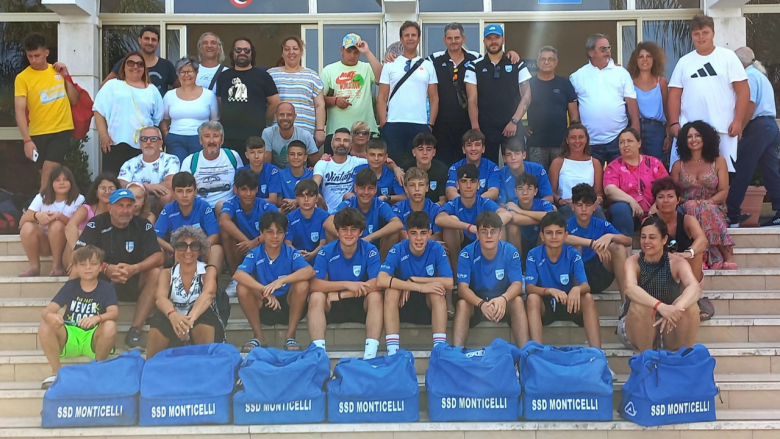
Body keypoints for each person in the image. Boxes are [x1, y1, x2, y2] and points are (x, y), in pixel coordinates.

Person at [74, 188, 163, 351]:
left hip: (134, 278)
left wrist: (135, 268)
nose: (125, 210)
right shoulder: (96, 223)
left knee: (156, 273)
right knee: (77, 270)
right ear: (110, 208)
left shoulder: (143, 224)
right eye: (120, 205)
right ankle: (83, 324)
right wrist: (105, 268)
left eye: (129, 206)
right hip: (103, 280)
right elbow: (78, 254)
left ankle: (135, 331)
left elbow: (158, 256)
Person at [668, 14, 749, 173]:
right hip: (690, 131)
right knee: (685, 175)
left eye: (705, 32)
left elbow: (743, 91)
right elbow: (674, 95)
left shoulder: (728, 57)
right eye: (696, 34)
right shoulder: (684, 62)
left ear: (713, 33)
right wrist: (674, 123)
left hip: (723, 129)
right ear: (692, 36)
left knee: (724, 174)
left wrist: (738, 121)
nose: (701, 37)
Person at [38, 245, 118, 389]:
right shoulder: (70, 286)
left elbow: (114, 313)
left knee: (110, 325)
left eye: (93, 264)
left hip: (93, 336)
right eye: (82, 264)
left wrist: (97, 318)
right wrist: (50, 316)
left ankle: (97, 370)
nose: (88, 268)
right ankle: (56, 372)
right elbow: (47, 311)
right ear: (75, 267)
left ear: (101, 266)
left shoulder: (107, 287)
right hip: (70, 335)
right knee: (45, 325)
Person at [308, 208, 384, 359]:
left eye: (353, 229)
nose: (349, 234)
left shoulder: (370, 250)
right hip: (333, 304)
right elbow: (314, 284)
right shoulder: (326, 251)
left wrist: (343, 294)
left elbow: (378, 282)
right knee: (316, 297)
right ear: (337, 231)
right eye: (344, 229)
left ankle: (370, 355)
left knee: (376, 296)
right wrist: (346, 284)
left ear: (361, 232)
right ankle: (319, 355)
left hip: (360, 301)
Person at [436, 164, 511, 314]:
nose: (468, 186)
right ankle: (457, 279)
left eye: (472, 181)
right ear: (457, 185)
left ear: (479, 185)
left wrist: (484, 229)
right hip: (462, 244)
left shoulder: (484, 202)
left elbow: (506, 214)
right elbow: (439, 219)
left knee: (500, 228)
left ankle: (500, 278)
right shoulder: (454, 203)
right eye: (464, 181)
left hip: (482, 244)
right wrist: (469, 227)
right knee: (450, 224)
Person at [619, 217, 701, 352]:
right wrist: (660, 306)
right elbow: (630, 288)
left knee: (690, 305)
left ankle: (684, 357)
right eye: (643, 237)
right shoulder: (633, 262)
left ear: (664, 239)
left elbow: (694, 287)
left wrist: (676, 309)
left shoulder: (677, 262)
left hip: (668, 325)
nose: (646, 241)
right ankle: (647, 359)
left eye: (652, 237)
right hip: (636, 326)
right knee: (640, 305)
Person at [234, 212, 314, 351]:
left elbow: (309, 271)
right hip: (264, 302)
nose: (275, 236)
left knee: (303, 284)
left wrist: (282, 281)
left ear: (285, 233)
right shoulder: (255, 253)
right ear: (262, 233)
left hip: (289, 303)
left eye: (279, 232)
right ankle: (259, 336)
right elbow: (238, 274)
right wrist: (264, 290)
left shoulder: (290, 252)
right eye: (270, 232)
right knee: (242, 287)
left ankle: (290, 336)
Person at [379, 211, 453, 352]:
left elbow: (449, 282)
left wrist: (414, 280)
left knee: (437, 290)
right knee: (390, 292)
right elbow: (381, 279)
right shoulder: (398, 248)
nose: (419, 238)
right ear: (406, 234)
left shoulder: (436, 248)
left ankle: (439, 349)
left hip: (426, 304)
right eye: (414, 233)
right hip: (403, 302)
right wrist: (417, 287)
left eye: (423, 233)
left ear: (429, 234)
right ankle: (393, 351)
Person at [15, 32, 80, 193]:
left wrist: (66, 76)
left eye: (37, 55)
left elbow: (74, 99)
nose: (33, 60)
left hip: (61, 129)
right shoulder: (22, 78)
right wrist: (27, 140)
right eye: (30, 56)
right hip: (38, 132)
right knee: (46, 176)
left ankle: (39, 204)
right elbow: (19, 110)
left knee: (49, 172)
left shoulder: (58, 71)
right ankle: (53, 204)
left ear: (46, 52)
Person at [526, 212, 601, 349]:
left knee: (588, 298)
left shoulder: (573, 254)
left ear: (566, 235)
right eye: (549, 233)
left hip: (570, 303)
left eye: (559, 232)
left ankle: (597, 353)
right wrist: (549, 290)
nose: (554, 237)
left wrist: (577, 289)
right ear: (542, 235)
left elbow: (586, 286)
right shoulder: (533, 254)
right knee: (532, 298)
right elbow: (529, 287)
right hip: (547, 305)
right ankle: (536, 352)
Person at [453, 211, 528, 348]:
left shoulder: (510, 251)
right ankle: (457, 352)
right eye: (484, 231)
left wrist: (503, 299)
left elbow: (517, 284)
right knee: (462, 304)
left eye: (493, 231)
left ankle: (525, 352)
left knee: (517, 301)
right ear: (477, 234)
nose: (489, 236)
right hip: (477, 302)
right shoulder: (466, 253)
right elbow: (462, 289)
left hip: (502, 302)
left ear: (500, 234)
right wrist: (481, 303)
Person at [146, 226, 223, 359]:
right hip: (174, 322)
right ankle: (151, 364)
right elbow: (160, 298)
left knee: (205, 318)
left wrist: (189, 321)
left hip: (198, 319)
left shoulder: (208, 270)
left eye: (194, 246)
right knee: (159, 319)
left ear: (200, 249)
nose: (188, 250)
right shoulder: (166, 273)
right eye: (182, 246)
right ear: (175, 249)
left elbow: (208, 295)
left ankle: (205, 365)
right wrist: (173, 315)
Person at [671, 121, 736, 270]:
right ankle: (717, 255)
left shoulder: (718, 161)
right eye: (689, 136)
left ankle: (713, 256)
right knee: (694, 207)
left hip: (714, 205)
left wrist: (709, 201)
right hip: (686, 205)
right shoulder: (678, 165)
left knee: (704, 209)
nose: (693, 139)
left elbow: (724, 191)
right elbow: (673, 192)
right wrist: (689, 202)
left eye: (697, 135)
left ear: (705, 138)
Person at [727, 47, 780, 227]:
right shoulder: (760, 76)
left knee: (742, 169)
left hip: (757, 127)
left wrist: (740, 127)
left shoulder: (748, 77)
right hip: (769, 126)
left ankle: (732, 214)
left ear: (739, 63)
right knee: (770, 171)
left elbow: (749, 103)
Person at [465, 24, 532, 164]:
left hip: (513, 125)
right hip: (485, 128)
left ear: (503, 39)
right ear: (484, 41)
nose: (493, 41)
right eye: (489, 38)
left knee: (515, 167)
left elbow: (527, 96)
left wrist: (514, 121)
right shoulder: (474, 66)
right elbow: (472, 100)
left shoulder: (517, 64)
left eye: (497, 37)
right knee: (487, 167)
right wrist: (475, 127)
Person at [570, 33, 640, 166]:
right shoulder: (577, 76)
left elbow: (631, 102)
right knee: (593, 178)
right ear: (591, 52)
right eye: (603, 49)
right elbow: (573, 107)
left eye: (609, 48)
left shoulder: (622, 73)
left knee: (620, 176)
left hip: (619, 139)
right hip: (590, 140)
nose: (607, 51)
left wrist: (635, 129)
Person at [651, 177, 712, 320]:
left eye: (670, 196)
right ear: (656, 201)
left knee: (696, 254)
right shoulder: (650, 222)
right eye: (661, 197)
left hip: (685, 274)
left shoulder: (687, 220)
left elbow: (702, 240)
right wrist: (673, 258)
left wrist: (688, 253)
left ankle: (692, 300)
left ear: (678, 200)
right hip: (661, 271)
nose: (666, 200)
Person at [95, 51, 164, 176]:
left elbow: (157, 119)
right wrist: (103, 135)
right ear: (124, 66)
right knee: (113, 181)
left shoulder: (152, 90)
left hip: (143, 144)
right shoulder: (112, 85)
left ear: (144, 68)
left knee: (140, 181)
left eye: (140, 64)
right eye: (131, 63)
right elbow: (98, 111)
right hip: (115, 142)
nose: (135, 66)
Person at [378, 21, 439, 163]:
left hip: (419, 122)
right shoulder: (390, 64)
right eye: (406, 35)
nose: (410, 38)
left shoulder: (428, 65)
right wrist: (383, 123)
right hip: (394, 123)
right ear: (401, 39)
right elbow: (382, 96)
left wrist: (430, 124)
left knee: (418, 165)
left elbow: (434, 98)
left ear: (419, 38)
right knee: (393, 164)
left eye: (413, 35)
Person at [565, 183, 632, 300]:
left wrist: (610, 236)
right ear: (572, 206)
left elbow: (628, 241)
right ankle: (578, 298)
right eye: (579, 205)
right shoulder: (567, 224)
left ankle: (626, 303)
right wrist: (593, 243)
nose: (584, 209)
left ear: (595, 206)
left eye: (588, 205)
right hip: (574, 276)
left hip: (599, 273)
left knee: (618, 247)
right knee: (576, 247)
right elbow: (563, 238)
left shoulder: (601, 224)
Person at [219, 169, 279, 295]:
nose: (248, 194)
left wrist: (254, 243)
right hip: (241, 249)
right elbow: (223, 221)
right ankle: (235, 278)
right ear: (235, 189)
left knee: (275, 231)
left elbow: (279, 228)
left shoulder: (265, 206)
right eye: (244, 189)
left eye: (251, 189)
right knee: (226, 232)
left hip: (262, 249)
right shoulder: (231, 204)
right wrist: (247, 243)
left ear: (257, 189)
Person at [216, 37, 280, 156]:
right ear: (233, 53)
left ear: (252, 53)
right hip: (228, 136)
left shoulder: (263, 76)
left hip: (255, 135)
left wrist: (262, 118)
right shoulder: (223, 77)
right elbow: (220, 102)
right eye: (238, 50)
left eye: (246, 50)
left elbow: (275, 102)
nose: (242, 53)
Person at [320, 34, 382, 154]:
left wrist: (367, 52)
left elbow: (381, 78)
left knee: (368, 166)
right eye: (349, 51)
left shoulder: (367, 67)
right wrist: (335, 101)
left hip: (364, 131)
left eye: (356, 52)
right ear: (342, 50)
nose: (352, 55)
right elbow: (318, 99)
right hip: (337, 132)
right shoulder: (329, 70)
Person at [428, 23, 480, 165]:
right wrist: (392, 58)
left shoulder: (476, 59)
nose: (453, 41)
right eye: (449, 38)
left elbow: (495, 62)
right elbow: (413, 69)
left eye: (457, 38)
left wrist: (511, 54)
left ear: (463, 38)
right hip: (441, 125)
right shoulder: (433, 60)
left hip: (467, 123)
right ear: (444, 40)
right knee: (443, 164)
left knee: (467, 164)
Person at [603, 127, 669, 238]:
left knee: (670, 205)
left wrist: (657, 204)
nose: (625, 145)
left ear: (639, 143)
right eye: (622, 142)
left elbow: (667, 186)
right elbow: (610, 189)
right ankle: (624, 245)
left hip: (653, 210)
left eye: (629, 141)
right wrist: (631, 201)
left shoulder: (653, 162)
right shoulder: (613, 166)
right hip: (628, 212)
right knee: (620, 208)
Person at [19, 166, 84, 277]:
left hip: (65, 245)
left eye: (65, 180)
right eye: (57, 180)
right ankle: (34, 267)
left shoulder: (78, 199)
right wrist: (37, 215)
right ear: (51, 183)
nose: (61, 183)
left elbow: (77, 225)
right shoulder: (41, 197)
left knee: (56, 224)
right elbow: (22, 222)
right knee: (27, 227)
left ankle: (57, 266)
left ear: (71, 182)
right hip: (44, 243)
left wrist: (58, 216)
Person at [154, 172, 223, 272]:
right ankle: (163, 280)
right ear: (173, 193)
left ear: (195, 192)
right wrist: (175, 249)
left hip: (200, 252)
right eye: (180, 191)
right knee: (157, 251)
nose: (184, 195)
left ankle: (211, 281)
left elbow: (215, 235)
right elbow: (156, 237)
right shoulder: (168, 209)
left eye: (189, 191)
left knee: (217, 250)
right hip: (175, 253)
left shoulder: (203, 206)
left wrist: (195, 249)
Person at [326, 168, 403, 257]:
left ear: (375, 189)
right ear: (355, 188)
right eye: (362, 188)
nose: (366, 192)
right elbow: (328, 222)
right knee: (329, 232)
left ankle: (381, 264)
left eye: (370, 188)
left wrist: (370, 237)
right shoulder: (349, 203)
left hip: (373, 248)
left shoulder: (379, 204)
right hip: (350, 245)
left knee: (394, 233)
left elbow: (398, 224)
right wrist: (351, 237)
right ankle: (337, 260)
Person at [526, 46, 579, 169]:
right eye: (543, 59)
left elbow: (574, 114)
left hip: (560, 143)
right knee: (538, 177)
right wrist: (520, 127)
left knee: (560, 177)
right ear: (538, 62)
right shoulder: (529, 84)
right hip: (536, 142)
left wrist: (572, 135)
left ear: (556, 62)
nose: (546, 62)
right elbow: (518, 106)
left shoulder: (565, 84)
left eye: (550, 59)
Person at [268, 36, 326, 146]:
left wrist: (320, 130)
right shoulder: (271, 74)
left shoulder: (312, 75)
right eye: (287, 49)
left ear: (301, 52)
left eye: (295, 48)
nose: (291, 52)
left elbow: (320, 105)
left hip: (305, 133)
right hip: (276, 133)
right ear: (282, 53)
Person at [161, 57, 220, 163]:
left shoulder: (208, 95)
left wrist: (209, 138)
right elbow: (164, 119)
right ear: (177, 74)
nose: (186, 75)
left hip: (200, 139)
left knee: (197, 167)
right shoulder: (169, 95)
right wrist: (166, 134)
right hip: (175, 139)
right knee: (177, 169)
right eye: (182, 72)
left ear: (197, 73)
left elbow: (214, 120)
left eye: (190, 71)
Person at [180, 121, 244, 209]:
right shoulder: (190, 161)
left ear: (222, 140)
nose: (211, 141)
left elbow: (242, 182)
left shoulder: (232, 156)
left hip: (228, 207)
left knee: (221, 206)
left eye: (216, 136)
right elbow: (183, 189)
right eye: (207, 136)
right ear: (200, 140)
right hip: (200, 208)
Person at [549, 123, 606, 219]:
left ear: (586, 139)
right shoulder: (558, 162)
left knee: (597, 210)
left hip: (589, 205)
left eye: (581, 137)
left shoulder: (595, 163)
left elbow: (599, 192)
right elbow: (551, 192)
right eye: (573, 138)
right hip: (566, 206)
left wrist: (598, 199)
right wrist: (560, 200)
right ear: (567, 140)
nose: (577, 141)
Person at [101, 26, 177, 96]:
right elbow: (103, 87)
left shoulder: (166, 66)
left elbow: (180, 89)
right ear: (139, 40)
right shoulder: (127, 63)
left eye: (153, 40)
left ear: (158, 43)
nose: (150, 42)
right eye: (146, 39)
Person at [64, 174, 120, 268]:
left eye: (111, 188)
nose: (107, 192)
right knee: (80, 233)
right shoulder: (86, 209)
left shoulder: (121, 212)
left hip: (104, 254)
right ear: (96, 192)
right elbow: (70, 226)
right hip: (77, 253)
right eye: (103, 188)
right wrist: (77, 251)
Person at [118, 126, 180, 210]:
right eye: (144, 139)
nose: (148, 142)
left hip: (159, 199)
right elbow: (121, 184)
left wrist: (142, 188)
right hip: (136, 200)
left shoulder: (171, 159)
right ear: (140, 143)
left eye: (153, 139)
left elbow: (170, 183)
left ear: (160, 143)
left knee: (167, 195)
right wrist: (146, 187)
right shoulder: (129, 163)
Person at [626, 42, 670, 161]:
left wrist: (668, 135)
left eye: (648, 56)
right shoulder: (629, 82)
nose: (645, 59)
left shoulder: (661, 82)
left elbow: (667, 110)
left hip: (656, 130)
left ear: (654, 59)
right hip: (634, 127)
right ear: (635, 60)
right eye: (641, 56)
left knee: (655, 165)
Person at [503, 173, 555, 264]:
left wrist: (520, 211)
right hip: (521, 242)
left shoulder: (543, 203)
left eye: (529, 188)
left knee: (547, 228)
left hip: (539, 240)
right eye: (520, 189)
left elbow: (551, 216)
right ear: (515, 191)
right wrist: (540, 219)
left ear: (535, 191)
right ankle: (516, 264)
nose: (525, 193)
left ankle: (539, 264)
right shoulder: (512, 204)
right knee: (512, 227)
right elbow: (515, 219)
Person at [313, 128, 368, 212]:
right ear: (332, 143)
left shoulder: (356, 162)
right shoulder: (323, 163)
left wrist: (390, 164)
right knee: (317, 197)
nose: (341, 143)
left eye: (345, 140)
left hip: (348, 211)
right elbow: (314, 185)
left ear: (351, 145)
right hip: (326, 210)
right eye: (338, 140)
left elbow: (377, 161)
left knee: (350, 196)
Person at [262, 102, 320, 168]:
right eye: (281, 115)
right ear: (275, 116)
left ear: (294, 117)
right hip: (276, 173)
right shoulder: (268, 133)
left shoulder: (305, 135)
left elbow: (317, 165)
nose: (285, 118)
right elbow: (266, 166)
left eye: (289, 115)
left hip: (300, 173)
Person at [446, 130, 500, 201]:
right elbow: (450, 191)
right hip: (460, 205)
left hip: (484, 205)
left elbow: (494, 192)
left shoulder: (492, 167)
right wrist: (465, 203)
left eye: (477, 145)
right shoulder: (455, 168)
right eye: (469, 145)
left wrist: (474, 203)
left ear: (483, 149)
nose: (473, 149)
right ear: (463, 149)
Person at [498, 137, 554, 206]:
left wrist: (526, 208)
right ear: (504, 158)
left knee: (553, 208)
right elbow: (501, 203)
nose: (513, 158)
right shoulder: (501, 174)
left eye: (517, 153)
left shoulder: (538, 169)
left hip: (537, 209)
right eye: (509, 155)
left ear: (524, 155)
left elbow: (549, 198)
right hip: (512, 211)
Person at [285, 179, 329, 264]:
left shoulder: (325, 217)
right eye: (302, 196)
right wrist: (297, 253)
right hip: (296, 261)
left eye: (310, 195)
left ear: (317, 198)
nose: (306, 199)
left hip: (319, 261)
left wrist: (312, 254)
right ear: (296, 198)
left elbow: (323, 243)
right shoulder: (290, 218)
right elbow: (287, 243)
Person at [393, 168, 443, 241]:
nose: (417, 189)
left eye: (421, 185)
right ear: (406, 188)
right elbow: (401, 235)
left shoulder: (435, 209)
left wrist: (420, 241)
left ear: (427, 187)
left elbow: (439, 235)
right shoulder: (398, 209)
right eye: (412, 185)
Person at [352, 138, 406, 204]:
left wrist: (387, 197)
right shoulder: (358, 170)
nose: (376, 158)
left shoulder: (392, 174)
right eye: (372, 155)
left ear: (386, 157)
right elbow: (356, 193)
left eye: (380, 155)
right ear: (366, 155)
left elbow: (404, 197)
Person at [403, 132, 448, 204]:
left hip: (435, 209)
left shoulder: (442, 170)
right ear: (414, 152)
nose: (425, 153)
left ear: (434, 152)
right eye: (420, 149)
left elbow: (443, 200)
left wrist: (431, 209)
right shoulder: (405, 169)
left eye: (429, 149)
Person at [238, 136, 281, 205]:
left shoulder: (273, 171)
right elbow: (239, 199)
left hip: (266, 209)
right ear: (246, 155)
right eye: (252, 152)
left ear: (265, 154)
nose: (256, 156)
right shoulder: (240, 172)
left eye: (260, 152)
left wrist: (250, 200)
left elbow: (273, 200)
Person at [279, 140, 315, 213]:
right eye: (292, 154)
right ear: (287, 157)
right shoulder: (280, 174)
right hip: (287, 212)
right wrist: (289, 204)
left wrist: (296, 202)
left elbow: (316, 198)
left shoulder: (312, 174)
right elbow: (278, 201)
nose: (296, 157)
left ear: (305, 157)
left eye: (299, 154)